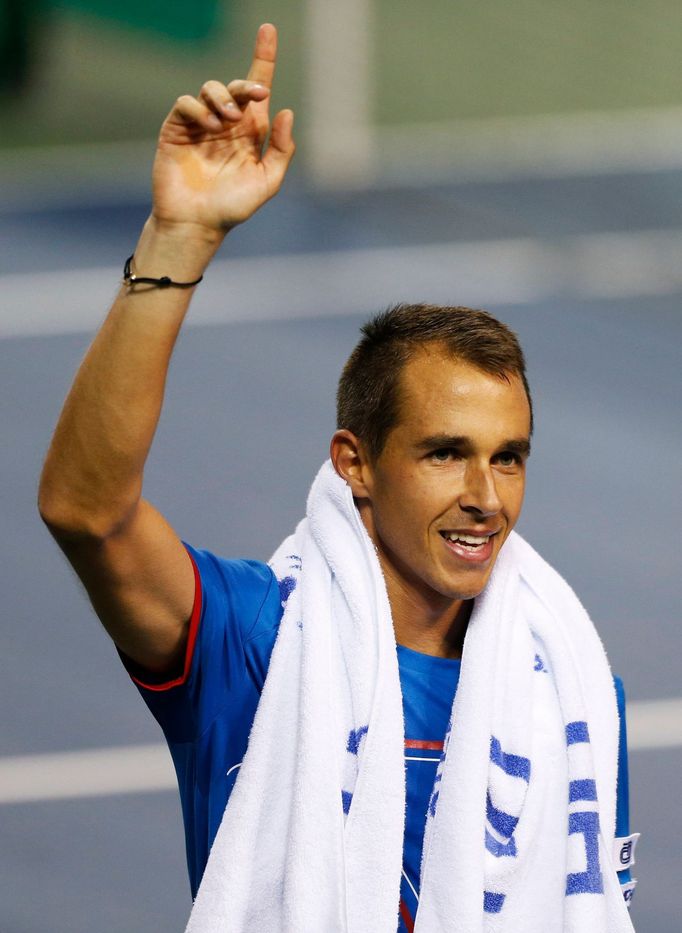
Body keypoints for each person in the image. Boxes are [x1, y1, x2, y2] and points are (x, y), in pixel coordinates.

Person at [38, 23, 637, 933]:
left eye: (508, 455)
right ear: (355, 464)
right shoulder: (254, 642)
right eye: (446, 451)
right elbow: (87, 510)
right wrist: (179, 236)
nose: (487, 493)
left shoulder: (570, 688)